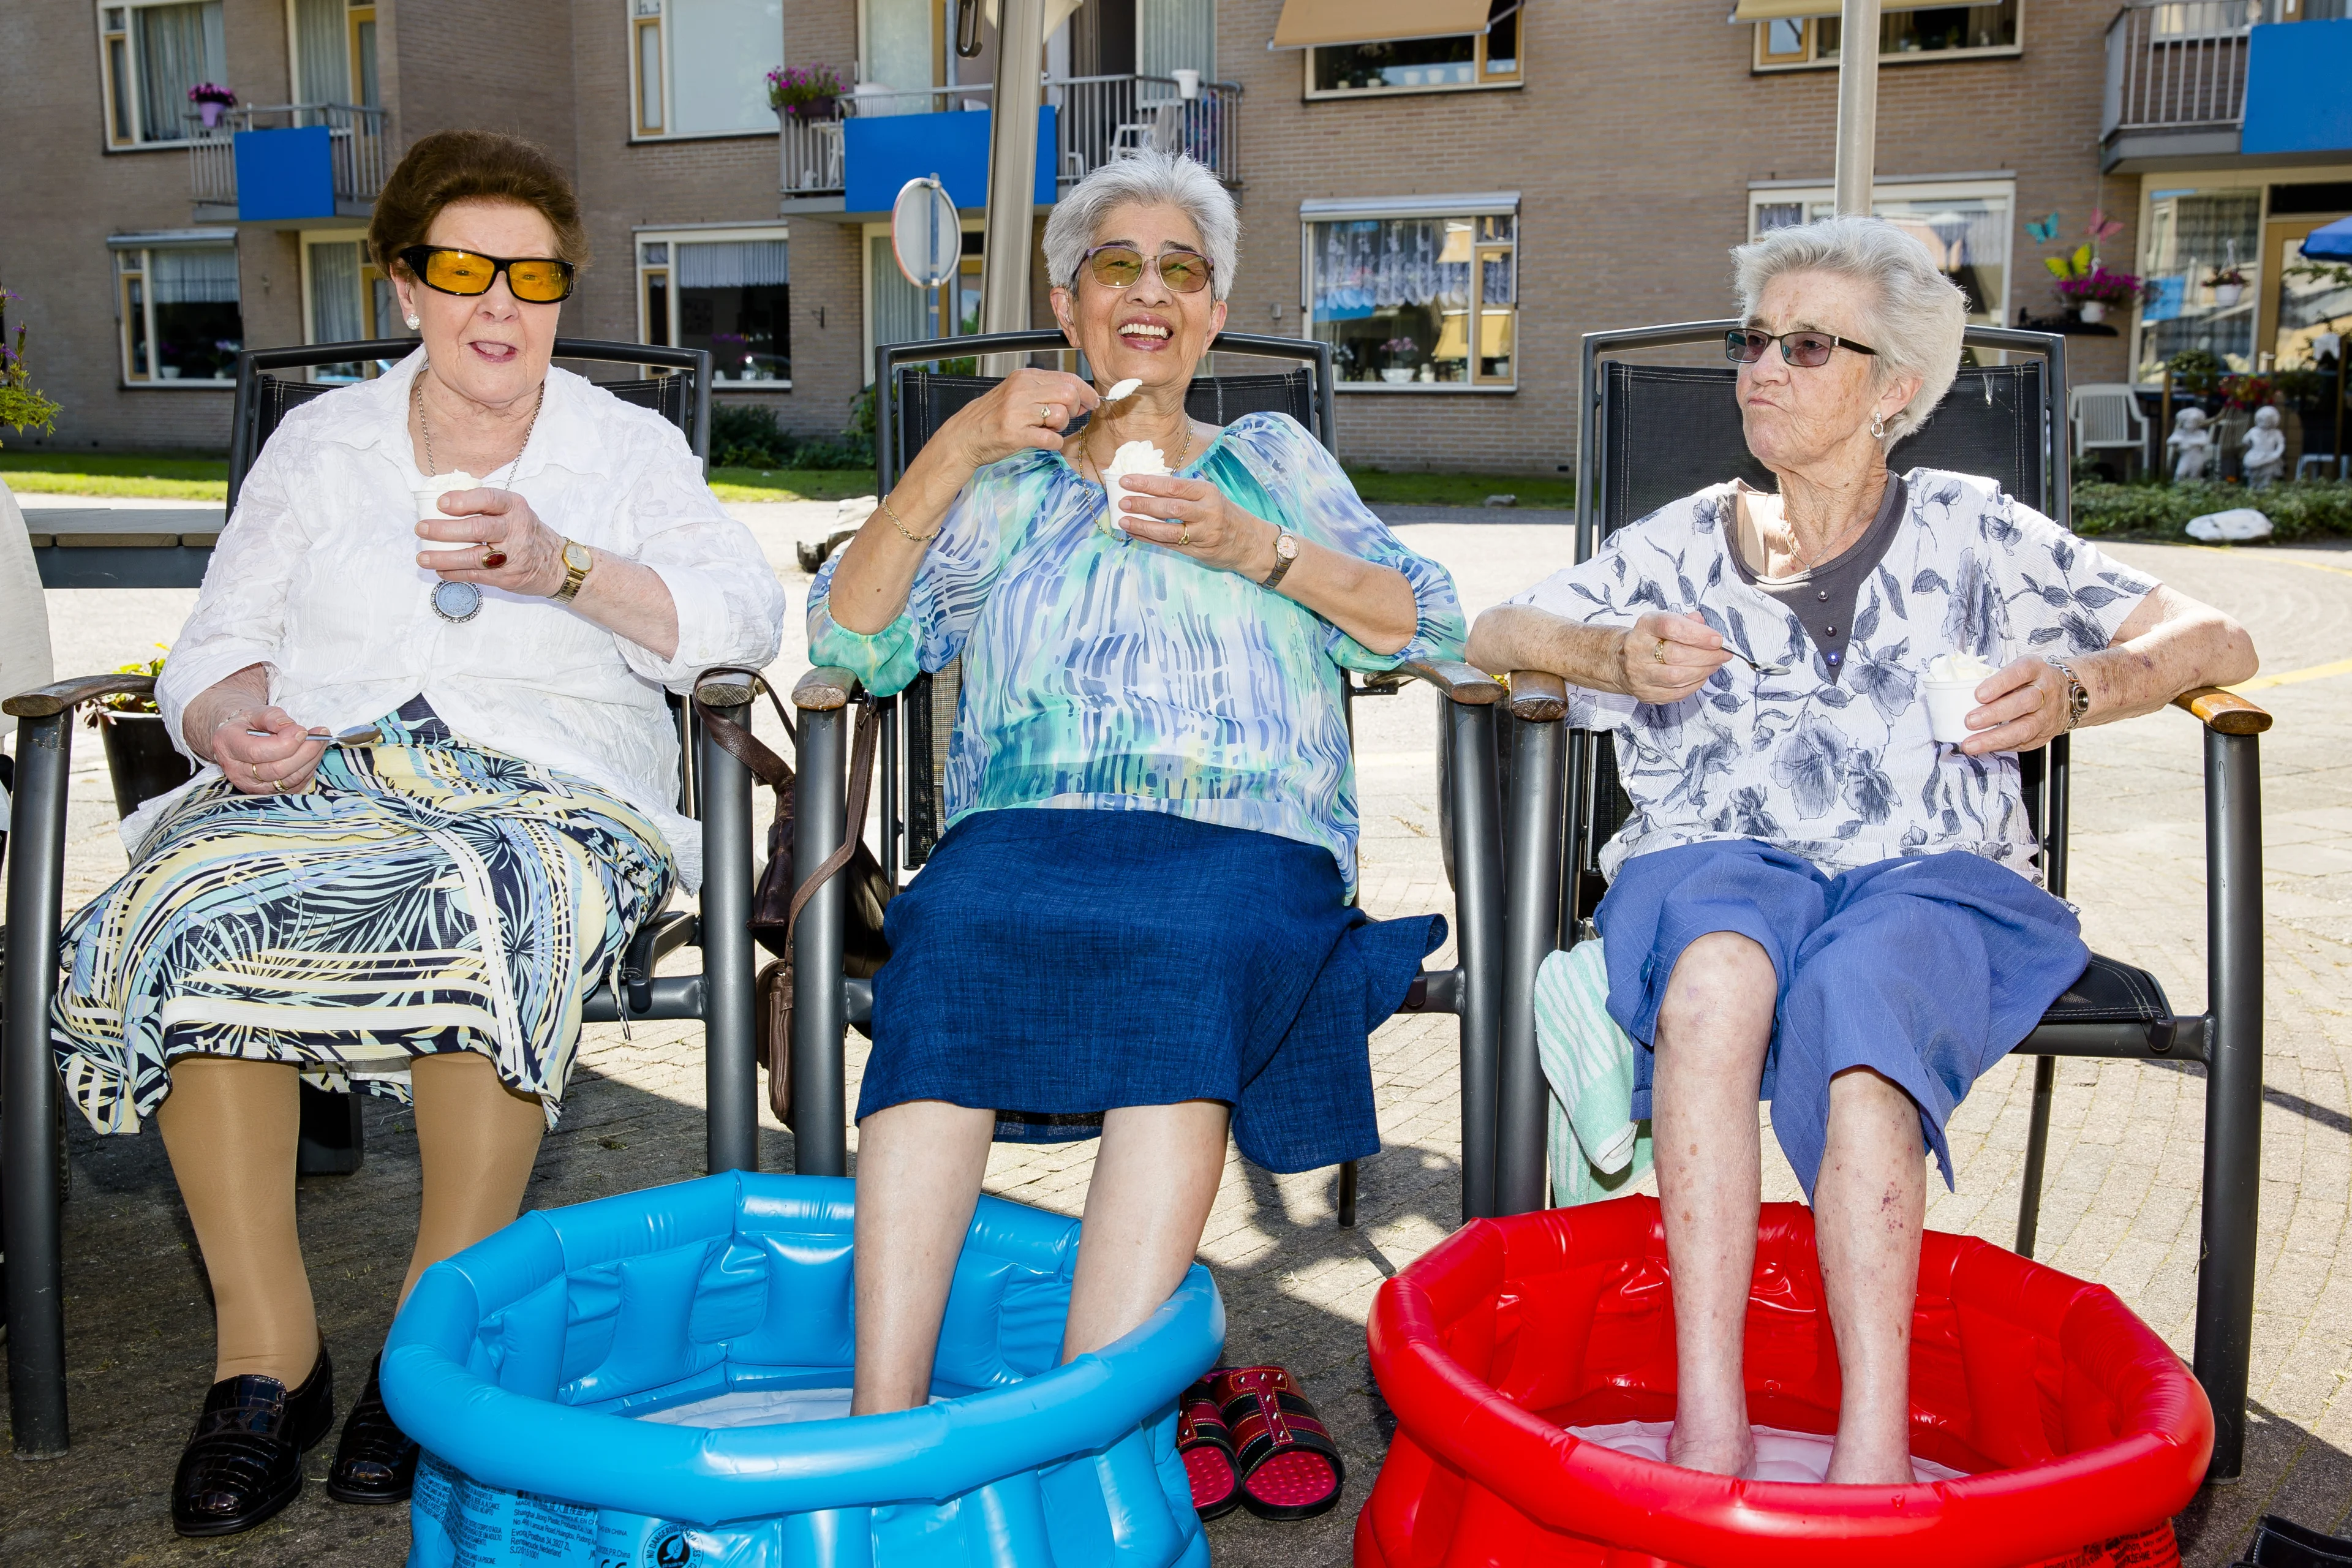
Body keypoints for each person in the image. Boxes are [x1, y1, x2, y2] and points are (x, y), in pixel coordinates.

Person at [50, 129, 785, 1536]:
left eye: (534, 274)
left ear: (565, 293)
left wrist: (559, 565)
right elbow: (216, 642)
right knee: (183, 909)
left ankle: (421, 1349)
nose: (499, 303)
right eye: (463, 268)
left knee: (495, 912)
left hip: (547, 790)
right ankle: (265, 1359)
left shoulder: (624, 449)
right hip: (320, 778)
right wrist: (228, 720)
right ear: (405, 288)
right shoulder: (320, 441)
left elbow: (738, 630)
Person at [1466, 215, 2255, 1485]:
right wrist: (1609, 655)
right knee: (1716, 982)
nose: (1762, 367)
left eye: (1808, 345)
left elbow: (2219, 636)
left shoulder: (1974, 530)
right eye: (1755, 340)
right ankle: (1707, 1413)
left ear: (1894, 390)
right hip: (1720, 854)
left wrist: (2081, 685)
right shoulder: (1681, 538)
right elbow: (1497, 625)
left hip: (1930, 870)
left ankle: (1874, 1453)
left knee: (1863, 996)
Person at [806, 150, 1464, 1520]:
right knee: (952, 939)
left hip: (1243, 833)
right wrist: (958, 443)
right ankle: (880, 1441)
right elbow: (852, 639)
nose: (1152, 292)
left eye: (1185, 270)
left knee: (1193, 951)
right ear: (1069, 300)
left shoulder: (1273, 462)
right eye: (1121, 263)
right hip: (1026, 829)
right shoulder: (1000, 485)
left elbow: (1425, 620)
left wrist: (1255, 549)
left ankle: (1079, 1434)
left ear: (1215, 316)